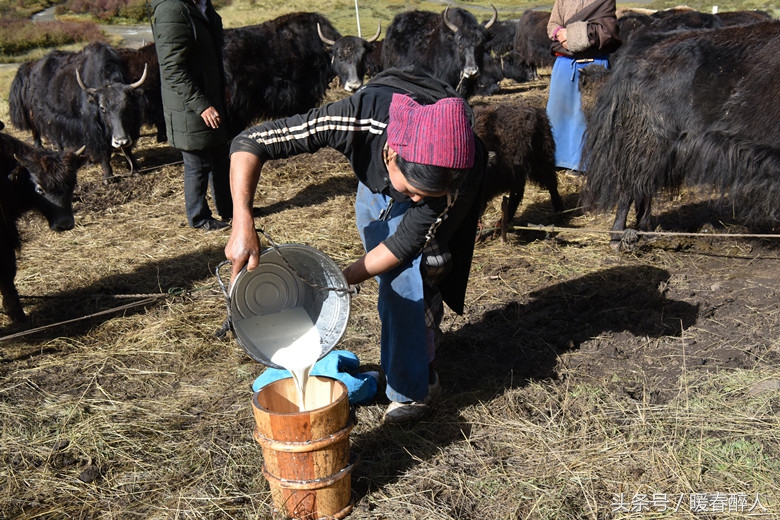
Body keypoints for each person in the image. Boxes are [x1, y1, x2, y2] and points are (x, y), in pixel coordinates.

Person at [225, 68, 487, 425]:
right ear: (391, 154)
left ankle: (413, 387)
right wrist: (242, 219)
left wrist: (341, 279)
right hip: (375, 177)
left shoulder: (452, 176)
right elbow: (250, 141)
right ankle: (415, 354)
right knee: (393, 277)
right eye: (410, 191)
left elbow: (403, 244)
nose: (412, 199)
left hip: (439, 177)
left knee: (409, 278)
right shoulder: (355, 118)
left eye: (423, 197)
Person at [150, 0, 233, 231]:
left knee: (219, 156)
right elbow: (172, 68)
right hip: (189, 105)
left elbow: (212, 52)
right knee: (197, 162)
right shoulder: (171, 10)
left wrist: (222, 85)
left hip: (209, 96)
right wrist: (202, 105)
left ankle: (228, 210)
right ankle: (199, 218)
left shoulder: (199, 5)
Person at [546, 0, 621, 173]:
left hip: (594, 66)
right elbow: (553, 23)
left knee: (587, 117)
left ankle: (584, 164)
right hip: (564, 64)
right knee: (558, 114)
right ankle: (557, 159)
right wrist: (559, 34)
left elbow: (608, 32)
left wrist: (570, 36)